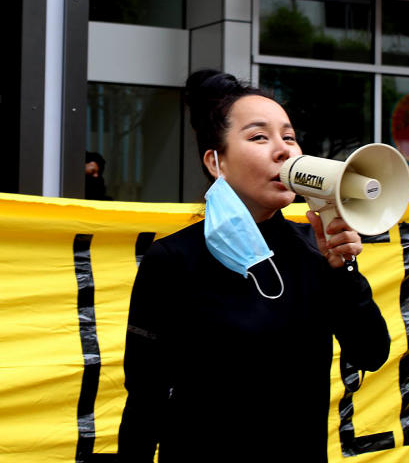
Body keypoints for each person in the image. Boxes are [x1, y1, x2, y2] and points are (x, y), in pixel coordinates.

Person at [117, 70, 390, 462]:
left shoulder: (315, 251)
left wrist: (344, 270)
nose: (282, 151)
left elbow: (371, 353)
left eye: (289, 137)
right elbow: (146, 396)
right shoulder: (174, 260)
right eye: (259, 137)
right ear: (216, 162)